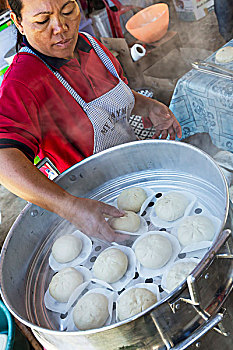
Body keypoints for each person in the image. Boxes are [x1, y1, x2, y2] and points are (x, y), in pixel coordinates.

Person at [0, 0, 182, 242]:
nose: (61, 28)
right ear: (18, 22)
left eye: (68, 11)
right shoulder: (22, 82)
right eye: (43, 21)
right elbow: (4, 159)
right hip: (93, 205)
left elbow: (113, 96)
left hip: (137, 172)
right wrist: (71, 207)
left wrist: (146, 105)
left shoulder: (91, 45)